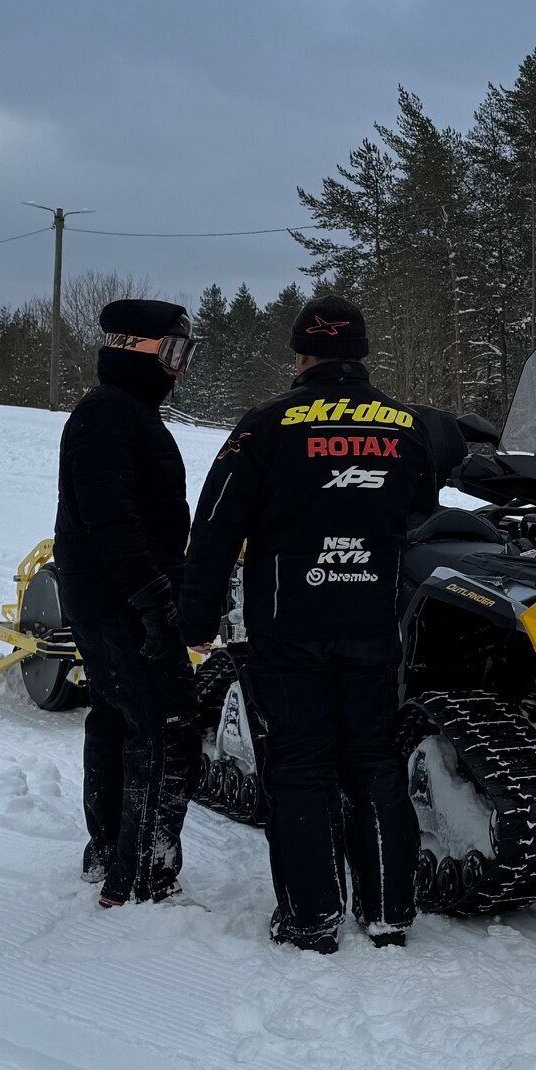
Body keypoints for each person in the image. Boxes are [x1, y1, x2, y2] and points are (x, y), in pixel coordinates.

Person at [179, 296, 438, 952]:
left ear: (301, 355)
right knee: (373, 762)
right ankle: (387, 912)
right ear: (362, 354)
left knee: (299, 765)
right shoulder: (406, 428)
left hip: (287, 623)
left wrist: (195, 621)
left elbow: (214, 531)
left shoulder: (265, 426)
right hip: (373, 623)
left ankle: (312, 917)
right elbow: (420, 516)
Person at [52, 296, 198, 907]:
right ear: (134, 350)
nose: (179, 366)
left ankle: (111, 853)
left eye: (185, 352)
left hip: (114, 598)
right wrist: (153, 598)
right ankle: (139, 875)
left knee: (117, 717)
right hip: (120, 603)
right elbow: (110, 518)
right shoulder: (109, 415)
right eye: (172, 351)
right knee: (164, 728)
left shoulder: (124, 412)